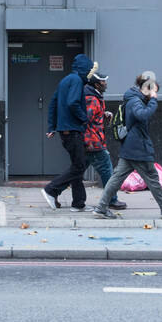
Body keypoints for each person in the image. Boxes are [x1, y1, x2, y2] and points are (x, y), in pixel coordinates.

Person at [94, 71, 162, 219]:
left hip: (131, 147)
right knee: (152, 178)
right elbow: (142, 114)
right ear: (147, 88)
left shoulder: (134, 98)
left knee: (116, 178)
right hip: (138, 148)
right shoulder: (135, 101)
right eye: (154, 91)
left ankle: (101, 208)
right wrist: (153, 100)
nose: (155, 95)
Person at [43, 53, 94, 211]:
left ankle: (78, 203)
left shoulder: (65, 80)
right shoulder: (77, 80)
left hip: (65, 131)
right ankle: (51, 190)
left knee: (77, 165)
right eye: (90, 69)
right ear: (85, 69)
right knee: (79, 166)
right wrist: (84, 118)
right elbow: (73, 103)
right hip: (73, 130)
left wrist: (52, 127)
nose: (90, 73)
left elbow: (53, 104)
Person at [83, 72, 127, 210]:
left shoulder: (95, 96)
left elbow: (92, 116)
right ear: (96, 84)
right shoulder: (92, 99)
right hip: (94, 142)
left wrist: (103, 114)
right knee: (107, 170)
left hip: (91, 140)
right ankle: (112, 200)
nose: (106, 84)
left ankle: (53, 190)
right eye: (103, 82)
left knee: (76, 170)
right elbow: (87, 120)